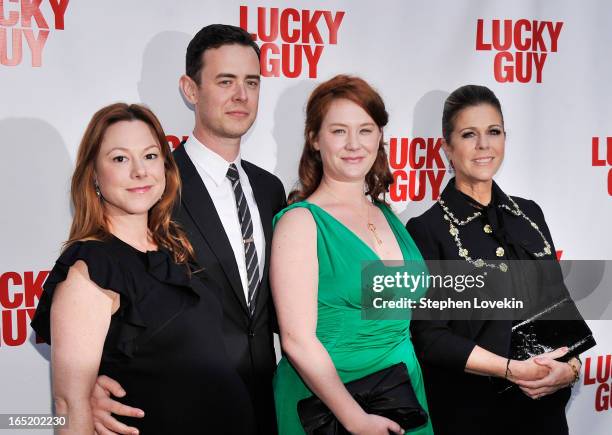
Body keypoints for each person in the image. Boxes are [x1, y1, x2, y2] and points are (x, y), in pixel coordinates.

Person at [88, 25, 286, 435]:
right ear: (190, 89)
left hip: (266, 404)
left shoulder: (270, 189)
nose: (241, 96)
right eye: (225, 81)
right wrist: (83, 379)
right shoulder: (152, 187)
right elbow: (101, 280)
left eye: (251, 82)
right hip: (181, 408)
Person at [30, 103, 256, 434]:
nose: (139, 171)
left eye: (150, 156)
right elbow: (69, 404)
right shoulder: (90, 272)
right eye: (120, 159)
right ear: (93, 173)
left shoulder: (174, 247)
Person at [406, 84, 583, 435]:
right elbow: (428, 336)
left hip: (544, 412)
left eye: (494, 132)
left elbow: (559, 307)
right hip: (472, 414)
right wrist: (509, 369)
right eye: (469, 134)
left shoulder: (529, 214)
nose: (484, 145)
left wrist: (572, 368)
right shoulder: (426, 229)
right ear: (447, 148)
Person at [271, 75, 433, 435]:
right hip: (331, 407)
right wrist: (354, 418)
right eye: (339, 131)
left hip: (402, 394)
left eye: (365, 129)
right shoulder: (300, 222)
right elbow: (296, 340)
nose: (354, 144)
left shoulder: (386, 214)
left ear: (380, 136)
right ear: (314, 139)